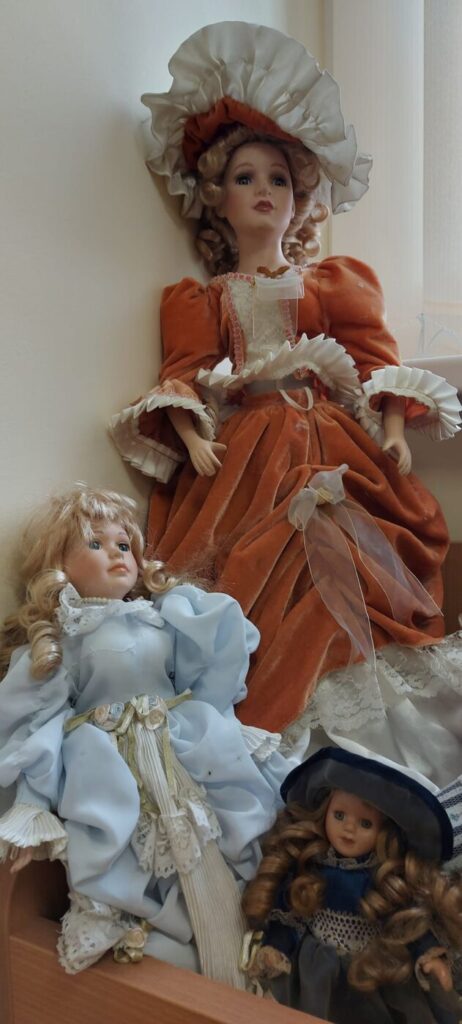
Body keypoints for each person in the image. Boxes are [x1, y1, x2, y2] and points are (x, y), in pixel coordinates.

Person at [110, 22, 462, 786]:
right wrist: (193, 436)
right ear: (216, 197)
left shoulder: (330, 282)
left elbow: (374, 361)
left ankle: (370, 762)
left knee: (346, 566)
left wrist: (393, 429)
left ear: (301, 197)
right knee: (258, 577)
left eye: (278, 177)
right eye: (245, 177)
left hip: (328, 441)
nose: (264, 190)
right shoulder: (203, 298)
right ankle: (278, 749)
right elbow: (187, 372)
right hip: (245, 455)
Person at [0, 485, 296, 982]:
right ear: (59, 565)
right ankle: (159, 943)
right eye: (96, 544)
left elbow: (206, 675)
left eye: (124, 544)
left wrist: (220, 720)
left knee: (212, 834)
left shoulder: (161, 616)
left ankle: (238, 945)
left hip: (180, 745)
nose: (117, 554)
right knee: (136, 855)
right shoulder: (67, 639)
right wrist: (31, 808)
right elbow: (41, 727)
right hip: (111, 765)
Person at [241, 746, 462, 1023]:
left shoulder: (383, 878)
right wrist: (277, 946)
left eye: (365, 823)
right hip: (317, 970)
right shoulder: (312, 866)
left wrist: (429, 956)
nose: (348, 828)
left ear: (384, 832)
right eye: (339, 815)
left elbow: (405, 924)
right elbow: (291, 914)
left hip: (371, 971)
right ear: (325, 812)